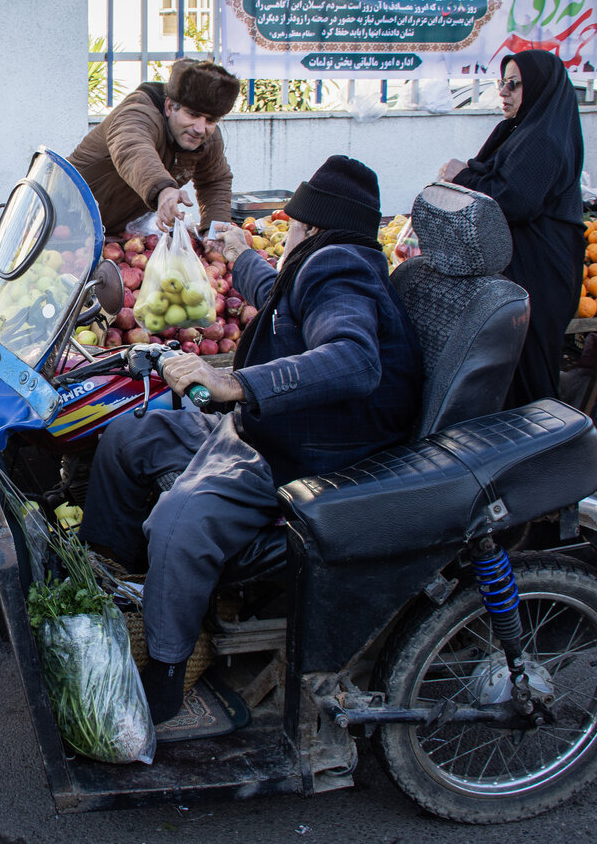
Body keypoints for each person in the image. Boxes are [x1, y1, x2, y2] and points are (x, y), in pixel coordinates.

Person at [78, 156, 424, 723]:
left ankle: (165, 671)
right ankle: (120, 580)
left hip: (308, 453)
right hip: (268, 428)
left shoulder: (340, 269)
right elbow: (283, 293)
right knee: (130, 434)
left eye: (292, 224)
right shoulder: (320, 267)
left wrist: (232, 380)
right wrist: (240, 256)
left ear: (311, 228)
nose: (286, 232)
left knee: (180, 517)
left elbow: (355, 358)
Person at [438, 50, 584, 408]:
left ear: (538, 88)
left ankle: (540, 451)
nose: (503, 92)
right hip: (527, 264)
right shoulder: (523, 131)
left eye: (514, 84)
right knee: (511, 365)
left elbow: (513, 200)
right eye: (502, 82)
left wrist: (464, 176)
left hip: (540, 269)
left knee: (528, 366)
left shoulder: (543, 140)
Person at [68, 58, 240, 235]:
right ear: (169, 106)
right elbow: (132, 148)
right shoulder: (137, 113)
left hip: (113, 233)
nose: (199, 129)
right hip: (63, 218)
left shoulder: (208, 138)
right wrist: (163, 189)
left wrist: (215, 233)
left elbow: (214, 182)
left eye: (210, 120)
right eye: (192, 115)